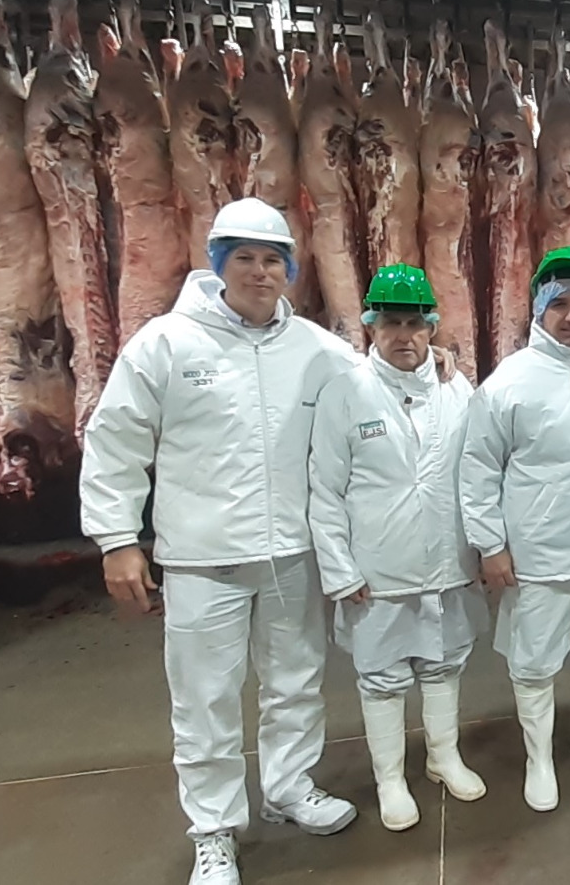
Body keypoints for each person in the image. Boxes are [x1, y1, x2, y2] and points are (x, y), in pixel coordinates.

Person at [80, 198, 360, 885]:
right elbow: (115, 440)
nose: (260, 272)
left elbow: (376, 392)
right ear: (218, 264)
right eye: (245, 258)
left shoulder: (318, 350)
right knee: (205, 700)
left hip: (291, 552)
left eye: (273, 260)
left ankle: (289, 787)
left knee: (295, 682)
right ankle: (213, 830)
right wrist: (117, 538)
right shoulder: (166, 345)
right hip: (202, 559)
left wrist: (434, 366)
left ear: (290, 270)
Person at [307, 264, 489, 833]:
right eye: (391, 323)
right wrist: (339, 570)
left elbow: (481, 472)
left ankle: (443, 757)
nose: (403, 335)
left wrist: (484, 548)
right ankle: (389, 778)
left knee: (444, 664)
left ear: (432, 327)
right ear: (371, 326)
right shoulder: (345, 393)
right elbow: (324, 490)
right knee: (382, 676)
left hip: (448, 561)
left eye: (414, 323)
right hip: (377, 570)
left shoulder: (458, 390)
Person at [459, 247, 570, 812]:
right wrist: (491, 545)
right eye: (560, 304)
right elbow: (478, 469)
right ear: (538, 307)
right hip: (541, 552)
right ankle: (538, 758)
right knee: (534, 661)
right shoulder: (508, 383)